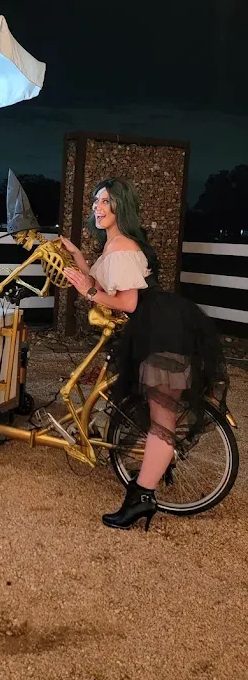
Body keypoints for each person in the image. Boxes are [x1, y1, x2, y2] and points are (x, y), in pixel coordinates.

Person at [61, 177, 228, 532]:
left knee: (161, 421)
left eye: (106, 201)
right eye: (95, 201)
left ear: (121, 205)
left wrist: (87, 291)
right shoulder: (116, 244)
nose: (98, 207)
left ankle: (141, 498)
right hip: (160, 323)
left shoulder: (121, 247)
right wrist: (78, 258)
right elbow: (107, 281)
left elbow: (127, 301)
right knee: (157, 413)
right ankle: (147, 480)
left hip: (159, 330)